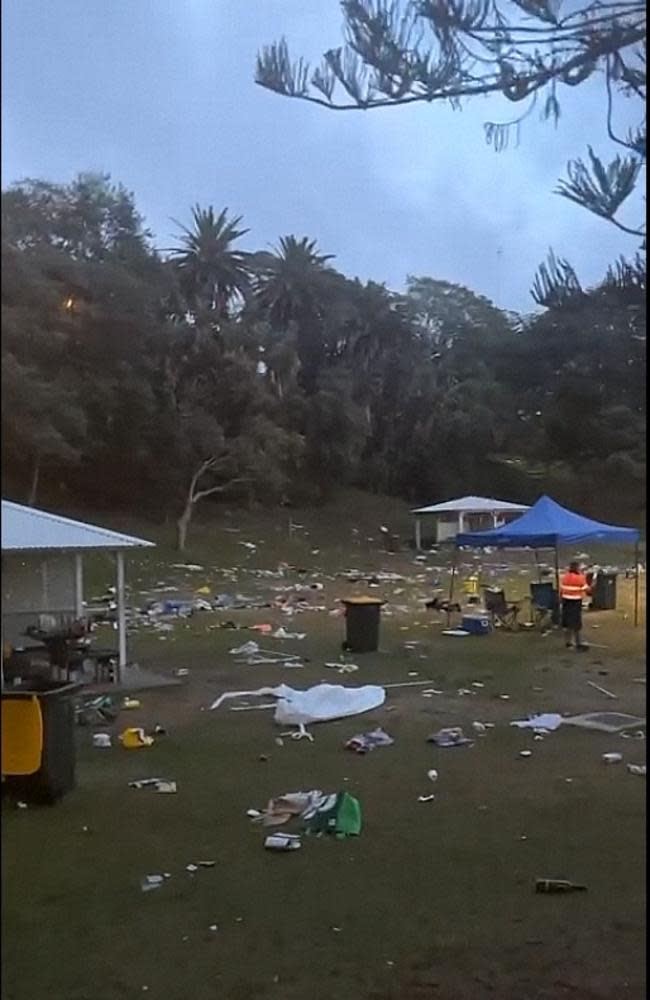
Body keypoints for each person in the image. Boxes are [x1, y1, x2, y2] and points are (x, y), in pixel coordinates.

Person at [560, 560, 591, 650]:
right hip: (575, 602)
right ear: (577, 568)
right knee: (576, 624)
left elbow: (562, 590)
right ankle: (578, 643)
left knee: (567, 623)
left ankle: (568, 642)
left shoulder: (565, 577)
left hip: (566, 601)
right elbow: (587, 590)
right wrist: (592, 585)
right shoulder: (580, 578)